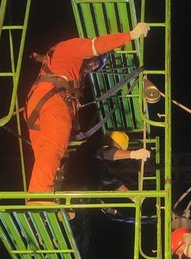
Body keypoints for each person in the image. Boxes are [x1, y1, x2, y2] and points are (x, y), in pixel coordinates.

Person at [24, 23, 150, 198]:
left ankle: (41, 197)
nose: (91, 68)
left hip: (39, 103)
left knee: (47, 155)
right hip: (52, 100)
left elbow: (110, 179)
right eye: (94, 64)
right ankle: (39, 196)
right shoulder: (71, 47)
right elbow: (97, 45)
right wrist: (130, 35)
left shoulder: (64, 64)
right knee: (53, 148)